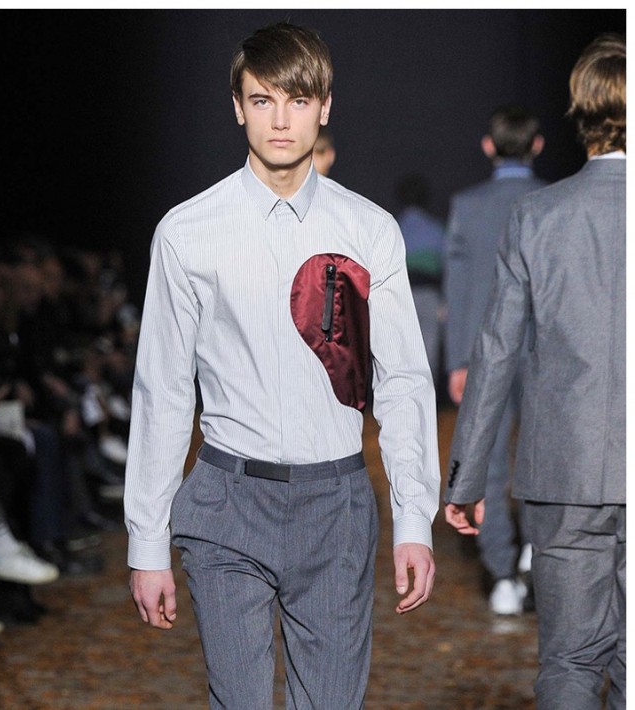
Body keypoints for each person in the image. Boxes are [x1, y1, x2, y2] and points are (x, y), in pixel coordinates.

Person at [125, 21, 440, 708]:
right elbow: (163, 390)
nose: (279, 120)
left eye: (297, 101)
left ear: (324, 107)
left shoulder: (368, 230)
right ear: (237, 106)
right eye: (262, 100)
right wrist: (146, 542)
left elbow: (404, 382)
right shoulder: (187, 232)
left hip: (336, 506)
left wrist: (414, 519)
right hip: (226, 502)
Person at [444, 33, 625, 709]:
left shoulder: (538, 216)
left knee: (571, 659)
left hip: (565, 472)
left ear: (579, 114)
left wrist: (465, 478)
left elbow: (495, 349)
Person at [443, 104, 546, 614]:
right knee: (544, 455)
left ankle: (503, 573)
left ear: (489, 146)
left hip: (486, 351)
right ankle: (535, 550)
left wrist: (457, 360)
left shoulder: (468, 205)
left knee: (489, 463)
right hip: (546, 349)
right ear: (537, 145)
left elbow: (459, 287)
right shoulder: (554, 201)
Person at [395, 173, 445, 386]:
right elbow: (447, 269)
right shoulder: (436, 229)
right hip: (429, 296)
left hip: (400, 296)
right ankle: (426, 399)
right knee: (429, 353)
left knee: (400, 353)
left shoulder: (393, 228)